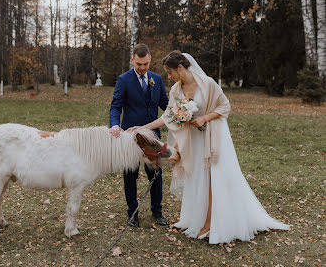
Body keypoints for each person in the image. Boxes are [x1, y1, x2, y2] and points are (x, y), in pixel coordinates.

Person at [129, 50, 289, 243]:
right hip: (193, 141)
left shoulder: (208, 84)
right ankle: (196, 218)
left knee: (213, 177)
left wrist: (204, 117)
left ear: (180, 68)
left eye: (170, 72)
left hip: (212, 137)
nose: (169, 77)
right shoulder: (175, 91)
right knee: (198, 177)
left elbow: (225, 106)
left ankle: (210, 223)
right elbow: (167, 117)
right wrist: (143, 127)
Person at [109, 43, 169, 227]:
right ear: (132, 60)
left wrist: (180, 115)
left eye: (145, 64)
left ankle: (157, 211)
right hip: (130, 137)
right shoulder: (123, 80)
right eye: (138, 64)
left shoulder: (157, 80)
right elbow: (116, 105)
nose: (142, 68)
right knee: (130, 175)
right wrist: (114, 125)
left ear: (150, 60)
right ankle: (132, 214)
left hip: (152, 137)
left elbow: (165, 105)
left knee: (155, 174)